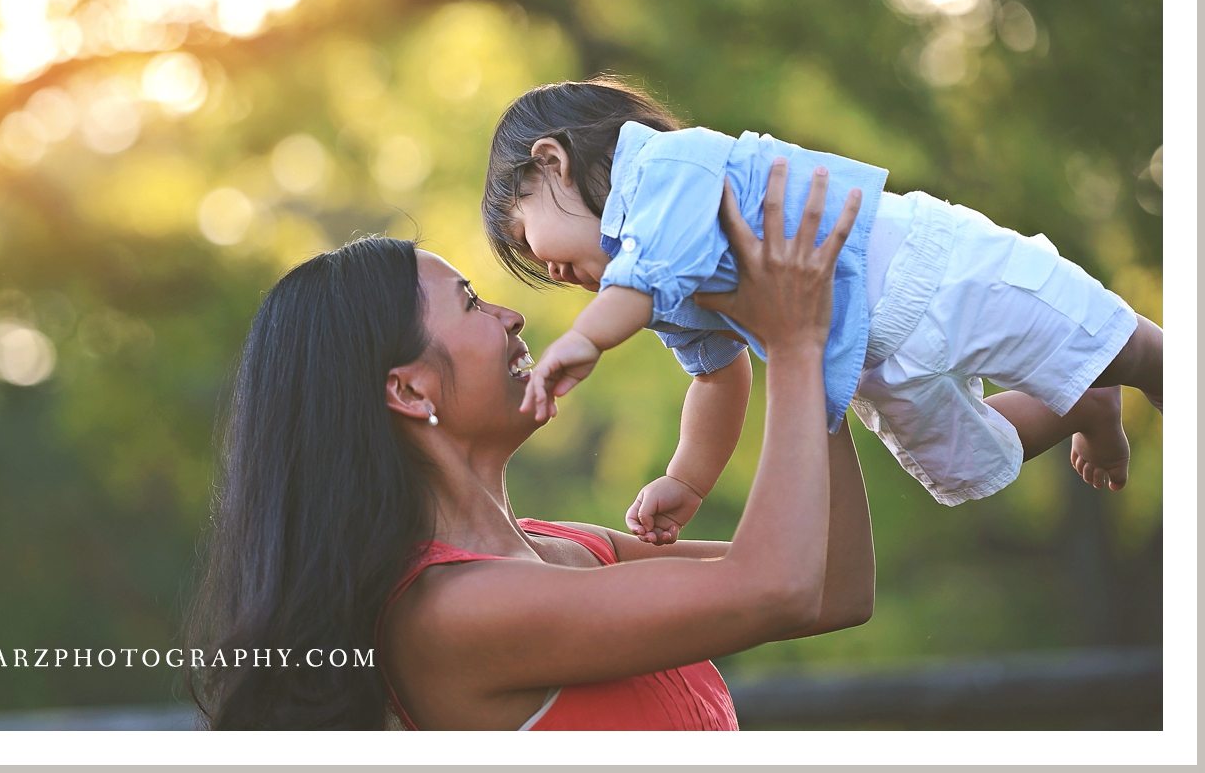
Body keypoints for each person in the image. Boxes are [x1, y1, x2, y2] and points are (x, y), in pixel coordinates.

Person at [185, 165, 872, 730]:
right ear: (411, 391)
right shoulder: (450, 612)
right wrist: (792, 344)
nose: (510, 314)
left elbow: (830, 587)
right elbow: (775, 586)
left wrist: (812, 355)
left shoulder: (571, 549)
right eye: (471, 302)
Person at [481, 77, 1162, 544]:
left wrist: (585, 341)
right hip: (866, 357)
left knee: (1111, 339)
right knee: (968, 461)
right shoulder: (653, 284)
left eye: (527, 240)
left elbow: (631, 287)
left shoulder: (667, 169)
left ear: (553, 163)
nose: (551, 270)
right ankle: (1083, 401)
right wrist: (688, 477)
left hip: (929, 270)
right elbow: (718, 376)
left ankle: (1134, 365)